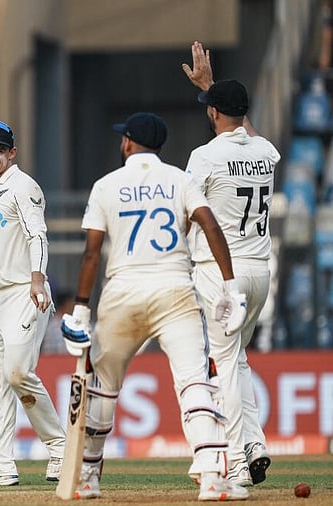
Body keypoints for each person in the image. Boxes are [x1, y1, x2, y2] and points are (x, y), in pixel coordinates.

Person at [60, 112, 249, 501]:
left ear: (127, 143)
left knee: (102, 388)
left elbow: (92, 254)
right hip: (174, 291)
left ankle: (87, 478)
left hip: (121, 295)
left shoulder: (106, 185)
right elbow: (211, 226)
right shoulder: (181, 180)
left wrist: (81, 307)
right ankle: (213, 478)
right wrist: (231, 287)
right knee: (195, 382)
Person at [182, 40, 280, 487]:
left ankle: (236, 462)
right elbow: (248, 134)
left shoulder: (204, 156)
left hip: (222, 272)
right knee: (236, 358)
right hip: (261, 272)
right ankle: (255, 444)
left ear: (213, 113)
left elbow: (187, 211)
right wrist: (215, 88)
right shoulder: (266, 152)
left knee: (221, 363)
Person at [0, 120, 66, 487]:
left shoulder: (23, 186)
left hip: (24, 291)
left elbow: (38, 234)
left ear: (12, 153)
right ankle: (1, 464)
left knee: (18, 373)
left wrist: (37, 280)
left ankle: (60, 447)